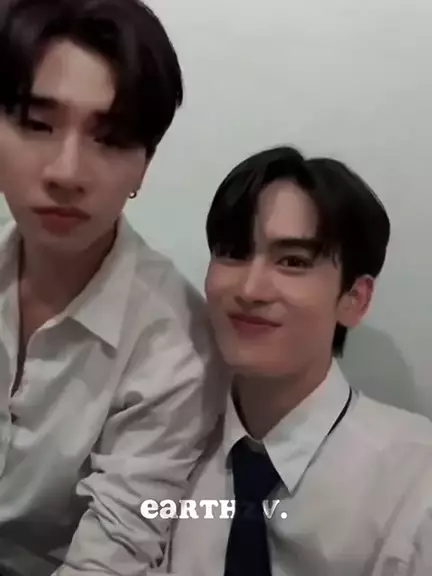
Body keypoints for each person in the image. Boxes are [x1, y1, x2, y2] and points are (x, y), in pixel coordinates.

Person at [0, 0, 226, 574]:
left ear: (143, 167)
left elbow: (115, 550)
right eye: (37, 124)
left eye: (111, 137)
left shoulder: (178, 348)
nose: (66, 172)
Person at [167, 146, 432, 576]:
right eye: (233, 252)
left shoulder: (416, 484)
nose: (250, 289)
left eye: (292, 261)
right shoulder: (161, 441)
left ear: (355, 299)